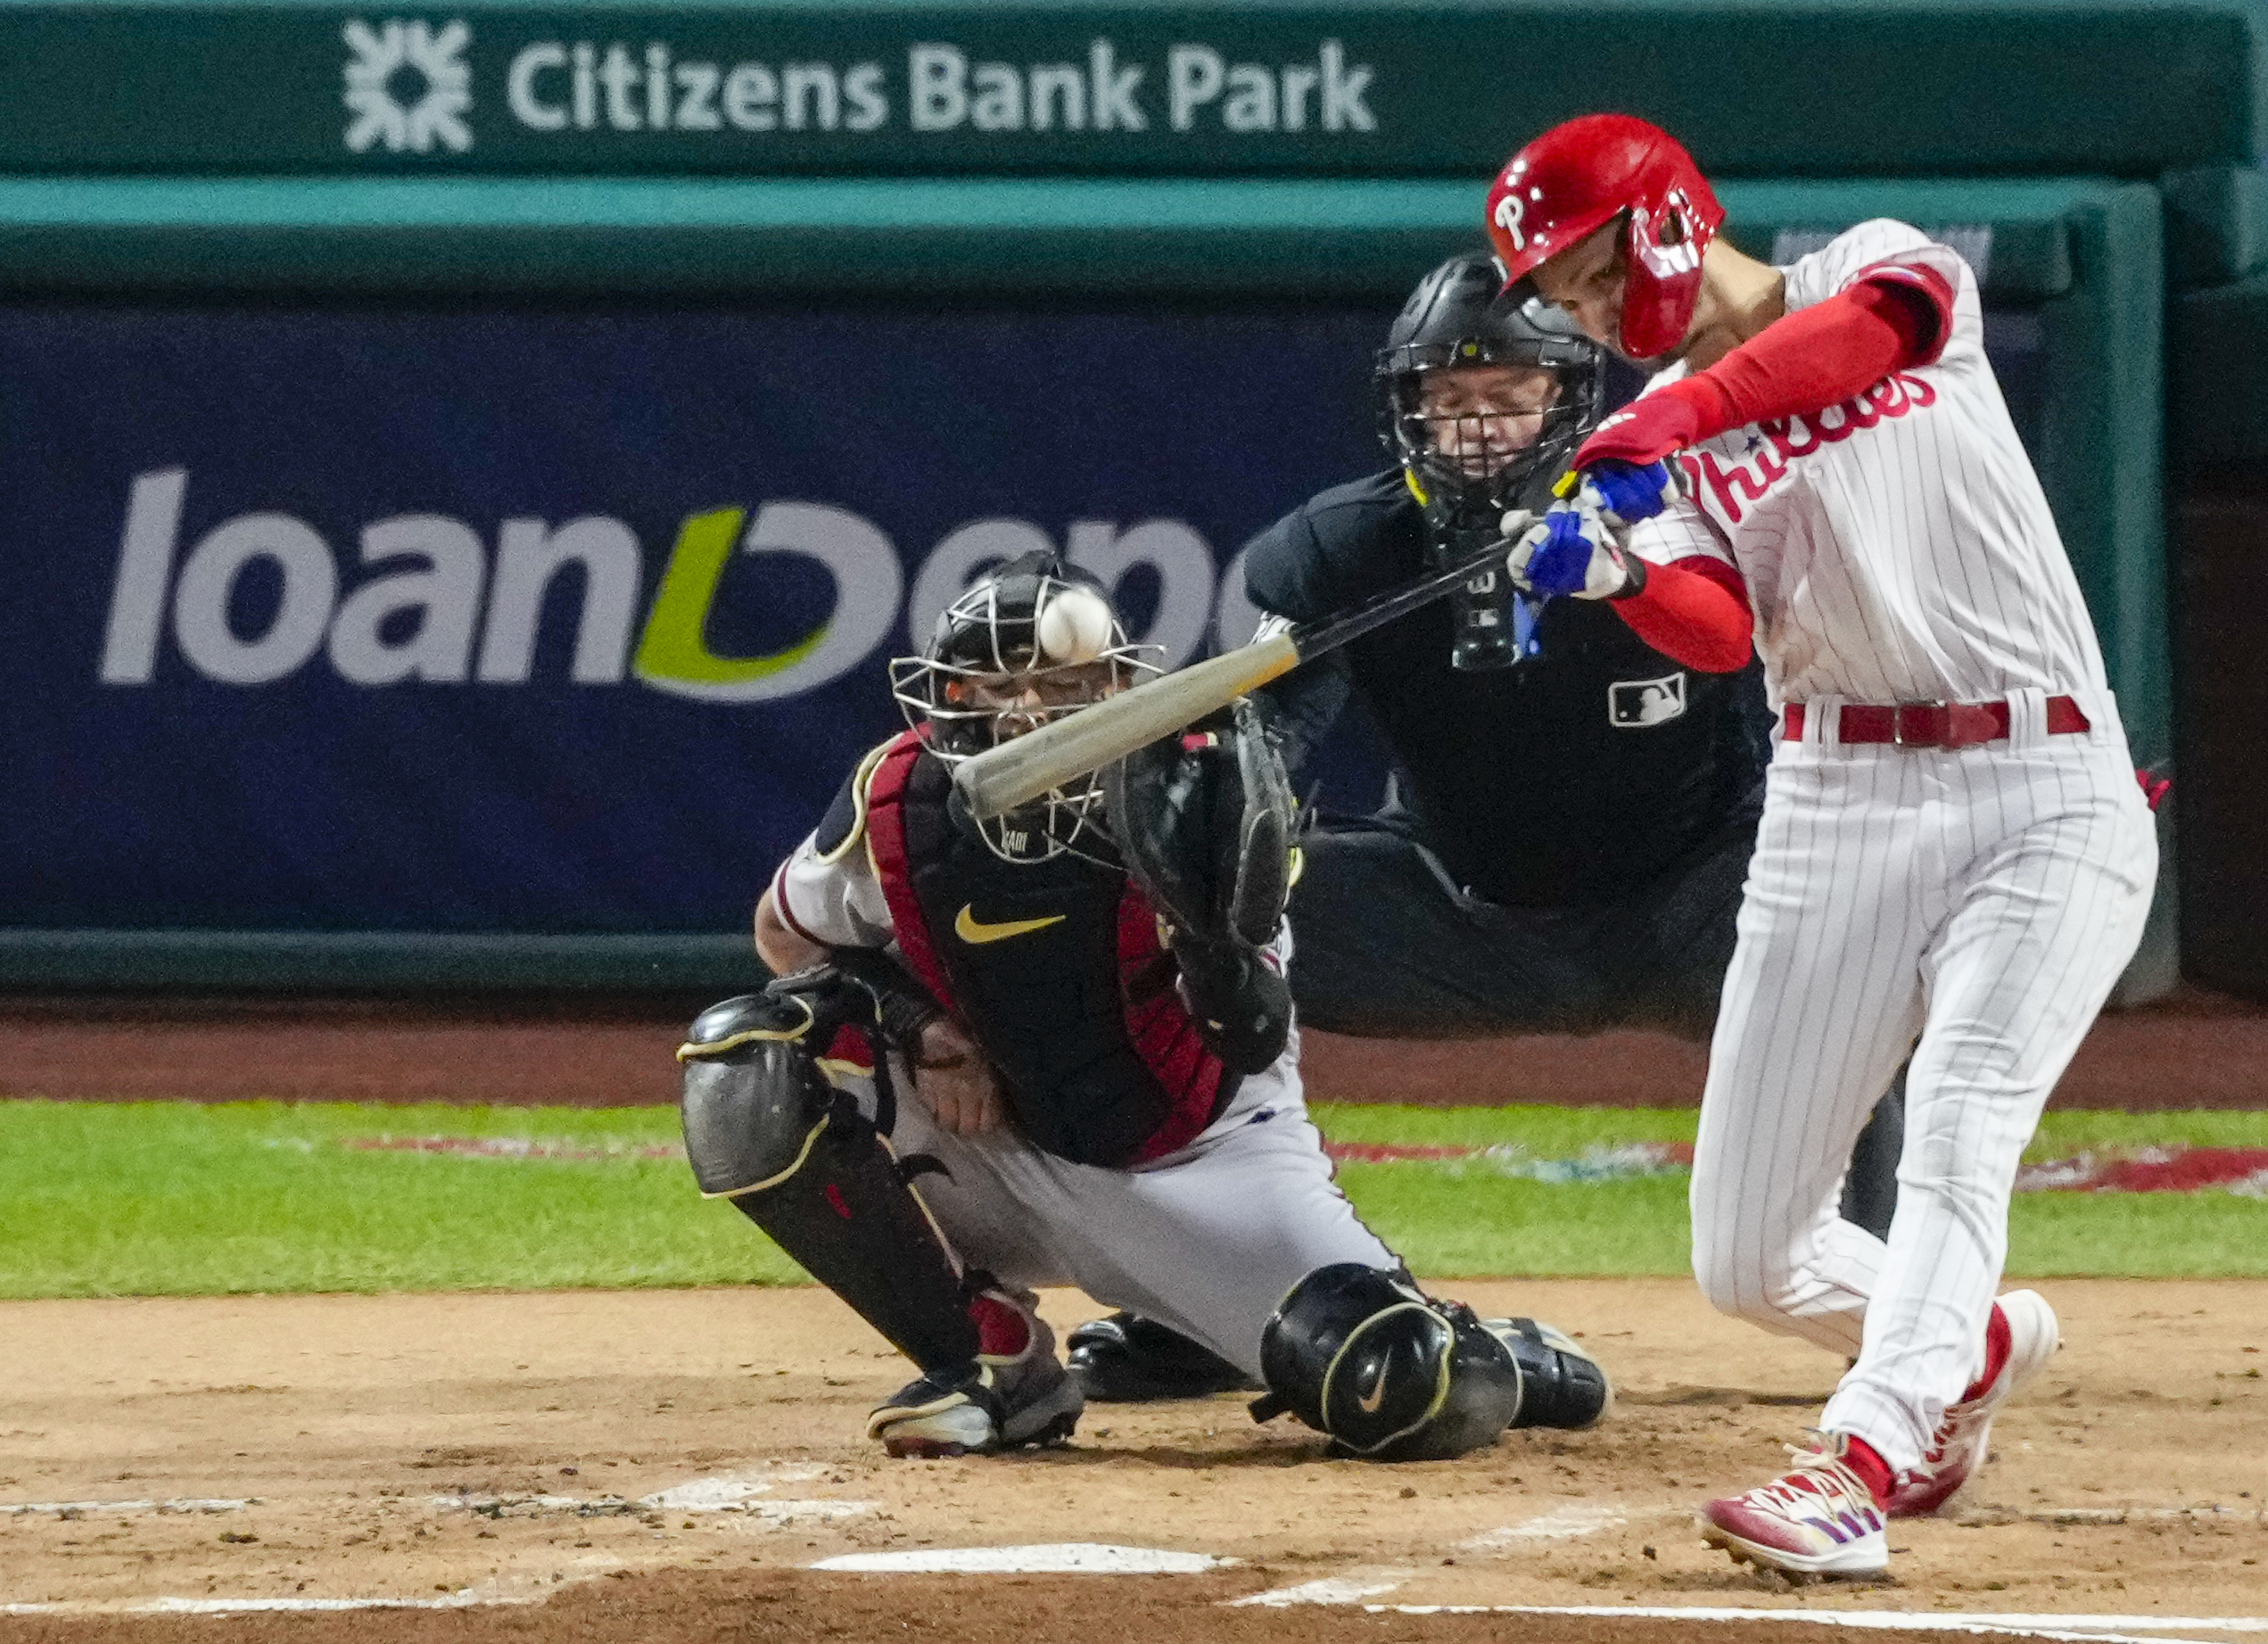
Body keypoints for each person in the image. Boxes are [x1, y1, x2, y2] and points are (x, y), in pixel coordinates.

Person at [1487, 113, 2158, 1577]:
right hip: (1835, 798)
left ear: (1660, 216)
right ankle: (1956, 1336)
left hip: (2041, 778)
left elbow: (1857, 345)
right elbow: (1717, 629)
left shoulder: (1873, 269)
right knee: (1745, 1250)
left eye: (1590, 271)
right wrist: (1609, 564)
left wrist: (1662, 428)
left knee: (1956, 1123)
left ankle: (1856, 1454)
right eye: (1563, 296)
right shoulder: (1655, 441)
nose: (1587, 312)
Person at [1066, 253, 1906, 1404]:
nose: (1474, 429)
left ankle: (1893, 1313)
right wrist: (1204, 835)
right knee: (1180, 919)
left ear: (1568, 399)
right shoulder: (1340, 550)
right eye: (1448, 401)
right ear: (1403, 409)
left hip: (1697, 906)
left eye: (1506, 397)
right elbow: (1263, 745)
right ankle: (1213, 1300)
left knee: (1849, 927)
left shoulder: (1683, 524)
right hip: (1455, 917)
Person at [677, 549, 1609, 1461]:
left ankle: (1498, 1356)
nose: (1025, 717)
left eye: (1059, 685)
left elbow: (1251, 1031)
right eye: (993, 690)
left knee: (1401, 1386)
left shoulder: (1205, 788)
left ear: (1118, 686)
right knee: (745, 1062)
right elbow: (785, 933)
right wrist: (929, 1029)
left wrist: (1203, 927)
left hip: (1202, 1165)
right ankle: (991, 1362)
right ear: (946, 699)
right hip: (1002, 1140)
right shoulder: (901, 792)